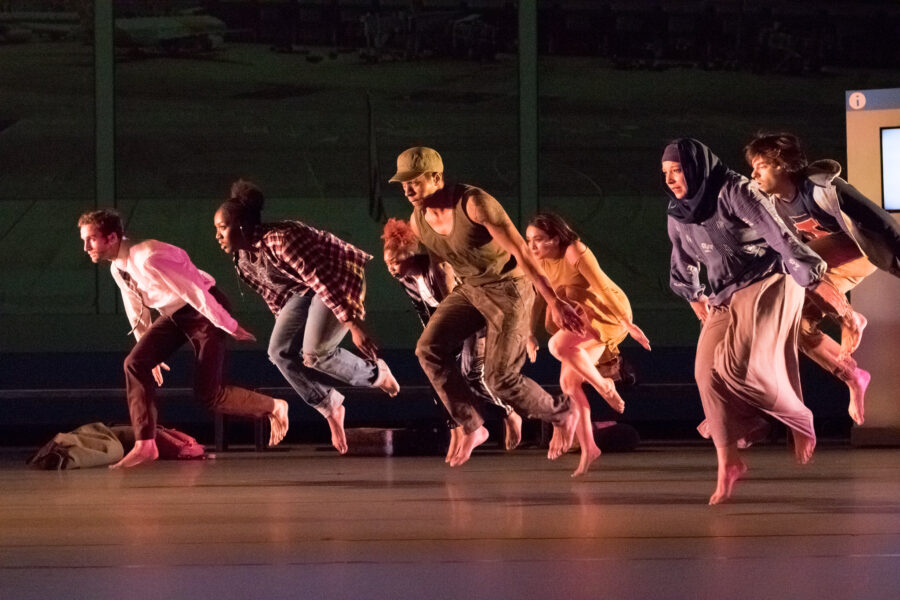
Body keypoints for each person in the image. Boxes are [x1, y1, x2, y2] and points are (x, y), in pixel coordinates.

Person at [661, 138, 857, 505]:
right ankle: (729, 461)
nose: (671, 180)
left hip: (769, 280)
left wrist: (817, 283)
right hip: (723, 296)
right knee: (706, 373)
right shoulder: (678, 212)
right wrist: (696, 298)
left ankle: (798, 417)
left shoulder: (735, 190)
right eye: (666, 174)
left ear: (696, 167)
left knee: (736, 368)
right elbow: (682, 260)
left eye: (678, 170)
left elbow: (780, 237)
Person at [389, 146, 584, 467]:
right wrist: (448, 310)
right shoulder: (418, 219)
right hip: (471, 290)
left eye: (415, 182)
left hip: (510, 289)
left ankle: (561, 411)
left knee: (500, 378)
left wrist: (553, 300)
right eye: (403, 184)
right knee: (428, 348)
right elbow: (445, 262)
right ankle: (471, 426)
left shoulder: (474, 204)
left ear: (437, 178)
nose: (408, 190)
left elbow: (523, 252)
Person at [78, 209, 289, 469]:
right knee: (135, 363)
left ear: (111, 238)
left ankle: (275, 406)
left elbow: (194, 291)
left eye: (91, 239)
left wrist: (228, 323)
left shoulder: (150, 256)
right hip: (175, 314)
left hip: (203, 311)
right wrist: (148, 351)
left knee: (207, 394)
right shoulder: (117, 268)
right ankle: (146, 443)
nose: (86, 247)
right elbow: (136, 308)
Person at [214, 180, 400, 455]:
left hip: (337, 277)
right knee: (278, 352)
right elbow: (275, 296)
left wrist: (352, 325)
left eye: (222, 228)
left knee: (315, 354)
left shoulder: (281, 240)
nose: (217, 236)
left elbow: (322, 278)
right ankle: (330, 406)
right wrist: (288, 334)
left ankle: (377, 373)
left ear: (241, 226)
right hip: (301, 292)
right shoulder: (242, 261)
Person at [745, 133, 900, 426]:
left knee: (792, 263)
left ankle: (848, 317)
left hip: (857, 250)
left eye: (761, 165)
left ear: (782, 165)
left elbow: (882, 221)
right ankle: (852, 375)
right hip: (832, 270)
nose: (753, 174)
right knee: (796, 326)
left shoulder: (821, 188)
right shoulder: (776, 205)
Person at [381, 217, 523, 461]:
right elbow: (424, 313)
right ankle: (460, 429)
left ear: (411, 257)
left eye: (395, 263)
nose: (391, 269)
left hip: (477, 318)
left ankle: (509, 413)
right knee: (434, 371)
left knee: (472, 374)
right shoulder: (405, 280)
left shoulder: (436, 269)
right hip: (452, 325)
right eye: (387, 264)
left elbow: (455, 304)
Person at [524, 212, 651, 476]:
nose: (532, 246)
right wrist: (529, 333)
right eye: (528, 240)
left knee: (557, 346)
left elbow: (603, 288)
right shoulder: (537, 261)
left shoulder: (574, 251)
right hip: (579, 316)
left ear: (556, 239)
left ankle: (604, 384)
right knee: (568, 384)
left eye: (539, 240)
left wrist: (627, 323)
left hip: (606, 312)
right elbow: (538, 298)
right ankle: (589, 446)